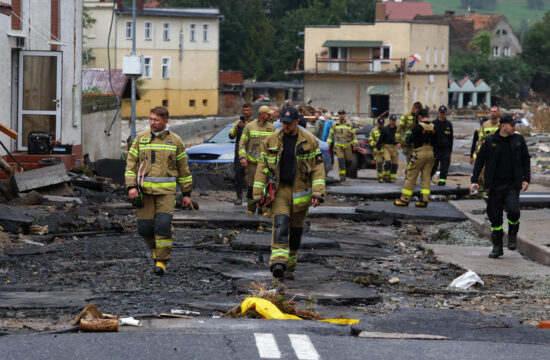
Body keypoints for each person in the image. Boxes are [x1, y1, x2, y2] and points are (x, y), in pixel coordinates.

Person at [253, 107, 325, 279]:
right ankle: (278, 262)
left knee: (295, 230)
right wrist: (257, 194)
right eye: (283, 123)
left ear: (297, 122)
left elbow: (318, 169)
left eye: (288, 123)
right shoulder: (271, 141)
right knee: (280, 222)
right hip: (280, 190)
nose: (285, 126)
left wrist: (318, 193)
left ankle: (290, 265)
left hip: (300, 192)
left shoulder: (310, 141)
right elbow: (262, 168)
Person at [125, 106, 193, 276]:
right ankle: (155, 248)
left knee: (163, 226)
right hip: (144, 192)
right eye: (150, 119)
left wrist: (186, 194)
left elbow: (183, 169)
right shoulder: (141, 139)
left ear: (165, 121)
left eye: (156, 120)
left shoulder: (175, 141)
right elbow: (131, 165)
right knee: (144, 228)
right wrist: (131, 187)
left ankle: (161, 261)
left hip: (167, 193)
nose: (152, 123)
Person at [470, 114, 530, 258]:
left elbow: (525, 160)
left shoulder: (518, 139)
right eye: (512, 125)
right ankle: (497, 245)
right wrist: (474, 180)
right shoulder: (490, 141)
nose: (515, 127)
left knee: (514, 211)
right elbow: (480, 161)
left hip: (512, 183)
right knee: (495, 216)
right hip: (495, 184)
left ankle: (512, 235)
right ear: (504, 126)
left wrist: (526, 179)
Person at [394, 109, 435, 208]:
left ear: (420, 117)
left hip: (419, 153)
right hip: (431, 153)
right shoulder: (434, 127)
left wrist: (405, 140)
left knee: (411, 175)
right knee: (426, 177)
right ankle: (424, 200)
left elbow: (408, 139)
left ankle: (405, 199)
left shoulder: (417, 127)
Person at [239, 105, 275, 214]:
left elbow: (274, 145)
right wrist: (242, 158)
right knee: (251, 188)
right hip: (252, 164)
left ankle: (262, 209)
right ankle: (250, 209)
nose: (270, 115)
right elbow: (242, 144)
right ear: (261, 114)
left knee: (264, 188)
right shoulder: (250, 126)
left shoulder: (271, 127)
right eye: (267, 114)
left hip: (265, 165)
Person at [228, 103, 253, 205]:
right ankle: (239, 197)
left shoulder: (255, 123)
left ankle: (250, 197)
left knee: (251, 176)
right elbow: (231, 135)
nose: (246, 112)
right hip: (239, 153)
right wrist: (238, 127)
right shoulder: (238, 123)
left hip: (251, 152)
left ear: (251, 110)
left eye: (247, 110)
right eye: (244, 110)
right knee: (238, 176)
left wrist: (248, 127)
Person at [327, 109, 357, 181]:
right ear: (338, 115)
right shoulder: (335, 124)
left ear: (345, 115)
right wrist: (328, 143)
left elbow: (353, 134)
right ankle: (342, 177)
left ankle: (345, 172)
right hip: (338, 146)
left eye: (342, 114)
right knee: (341, 161)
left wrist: (355, 144)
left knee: (349, 161)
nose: (341, 115)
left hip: (347, 146)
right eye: (340, 114)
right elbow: (331, 134)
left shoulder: (349, 124)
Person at [475, 106, 500, 189]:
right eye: (491, 111)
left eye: (495, 111)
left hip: (498, 153)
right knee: (484, 172)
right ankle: (485, 188)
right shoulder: (485, 124)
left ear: (498, 113)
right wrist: (479, 149)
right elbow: (480, 139)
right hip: (487, 153)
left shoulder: (501, 124)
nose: (493, 113)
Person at [431, 105, 454, 186]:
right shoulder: (433, 123)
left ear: (445, 113)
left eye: (444, 113)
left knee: (444, 169)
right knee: (433, 167)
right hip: (435, 150)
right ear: (438, 112)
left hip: (445, 151)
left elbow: (451, 138)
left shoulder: (449, 124)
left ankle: (442, 183)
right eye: (441, 113)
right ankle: (427, 181)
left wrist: (450, 151)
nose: (442, 114)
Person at [376, 114, 401, 183]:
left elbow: (400, 138)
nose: (393, 122)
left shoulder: (397, 129)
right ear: (389, 120)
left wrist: (399, 143)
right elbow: (380, 140)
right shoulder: (385, 129)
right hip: (386, 147)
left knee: (395, 164)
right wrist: (378, 149)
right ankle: (386, 177)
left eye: (394, 120)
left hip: (394, 147)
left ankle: (392, 178)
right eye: (392, 120)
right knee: (387, 162)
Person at [398, 102, 422, 167]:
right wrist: (399, 142)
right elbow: (399, 129)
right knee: (410, 162)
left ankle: (409, 175)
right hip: (407, 144)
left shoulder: (418, 117)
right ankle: (408, 176)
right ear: (414, 108)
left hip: (415, 144)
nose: (418, 112)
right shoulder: (405, 116)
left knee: (414, 162)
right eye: (417, 111)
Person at [369, 118, 385, 183]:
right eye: (380, 124)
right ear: (377, 123)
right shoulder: (373, 131)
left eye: (382, 124)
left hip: (385, 150)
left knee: (387, 164)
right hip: (377, 152)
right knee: (379, 165)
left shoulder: (386, 130)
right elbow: (370, 141)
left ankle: (386, 177)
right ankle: (380, 178)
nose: (381, 125)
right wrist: (376, 143)